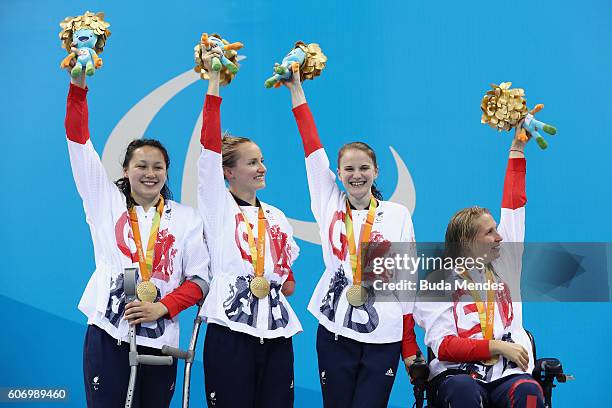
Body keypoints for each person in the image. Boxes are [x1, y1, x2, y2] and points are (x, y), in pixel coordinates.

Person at [65, 70, 210, 407]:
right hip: (109, 334)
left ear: (166, 172)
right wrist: (78, 86)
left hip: (161, 342)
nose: (150, 173)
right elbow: (78, 143)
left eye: (158, 167)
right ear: (126, 171)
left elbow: (200, 281)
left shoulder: (186, 218)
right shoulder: (105, 201)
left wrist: (162, 306)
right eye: (141, 166)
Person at [283, 72, 419, 408]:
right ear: (339, 174)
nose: (356, 175)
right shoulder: (327, 201)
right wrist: (296, 91)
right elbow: (312, 149)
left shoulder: (397, 214)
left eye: (363, 168)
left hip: (384, 332)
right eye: (348, 169)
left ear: (376, 171)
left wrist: (409, 345)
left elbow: (408, 282)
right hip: (334, 329)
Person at [197, 47, 301, 408]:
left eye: (262, 161)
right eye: (252, 162)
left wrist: (281, 277)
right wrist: (214, 84)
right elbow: (208, 152)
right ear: (228, 172)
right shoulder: (217, 206)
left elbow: (287, 276)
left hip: (275, 332)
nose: (262, 168)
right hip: (230, 331)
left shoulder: (276, 216)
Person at [413, 126, 545, 407]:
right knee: (463, 391)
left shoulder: (504, 262)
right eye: (489, 232)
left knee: (529, 392)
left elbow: (514, 206)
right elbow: (445, 346)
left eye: (496, 230)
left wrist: (517, 150)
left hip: (506, 374)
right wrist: (496, 346)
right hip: (458, 375)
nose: (499, 237)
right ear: (466, 241)